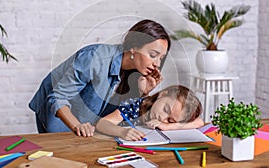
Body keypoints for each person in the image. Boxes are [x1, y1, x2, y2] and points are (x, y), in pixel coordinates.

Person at [29, 19, 171, 137]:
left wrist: (142, 92)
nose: (157, 64)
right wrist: (78, 125)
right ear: (133, 47)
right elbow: (58, 97)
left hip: (86, 116)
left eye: (161, 58)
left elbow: (118, 113)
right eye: (153, 55)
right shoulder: (94, 58)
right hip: (58, 111)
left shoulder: (136, 72)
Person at [96, 85, 204, 141]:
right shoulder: (133, 106)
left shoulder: (164, 123)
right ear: (162, 94)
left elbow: (199, 122)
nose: (163, 118)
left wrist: (167, 127)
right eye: (165, 109)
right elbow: (102, 123)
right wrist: (122, 132)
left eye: (170, 120)